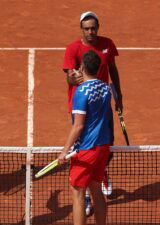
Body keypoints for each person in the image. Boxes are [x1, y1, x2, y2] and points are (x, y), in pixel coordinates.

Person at [62, 11, 123, 215]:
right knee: (86, 145)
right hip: (81, 106)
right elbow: (69, 78)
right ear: (82, 29)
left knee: (106, 144)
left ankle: (101, 172)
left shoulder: (107, 44)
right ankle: (88, 193)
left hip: (104, 102)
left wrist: (119, 95)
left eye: (94, 28)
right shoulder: (73, 49)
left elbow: (113, 69)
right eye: (87, 28)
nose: (91, 31)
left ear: (98, 27)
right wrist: (76, 79)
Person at [58, 50, 112, 225]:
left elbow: (78, 126)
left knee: (78, 192)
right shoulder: (106, 88)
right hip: (103, 147)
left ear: (81, 67)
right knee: (96, 190)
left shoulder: (81, 92)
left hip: (86, 150)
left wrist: (64, 151)